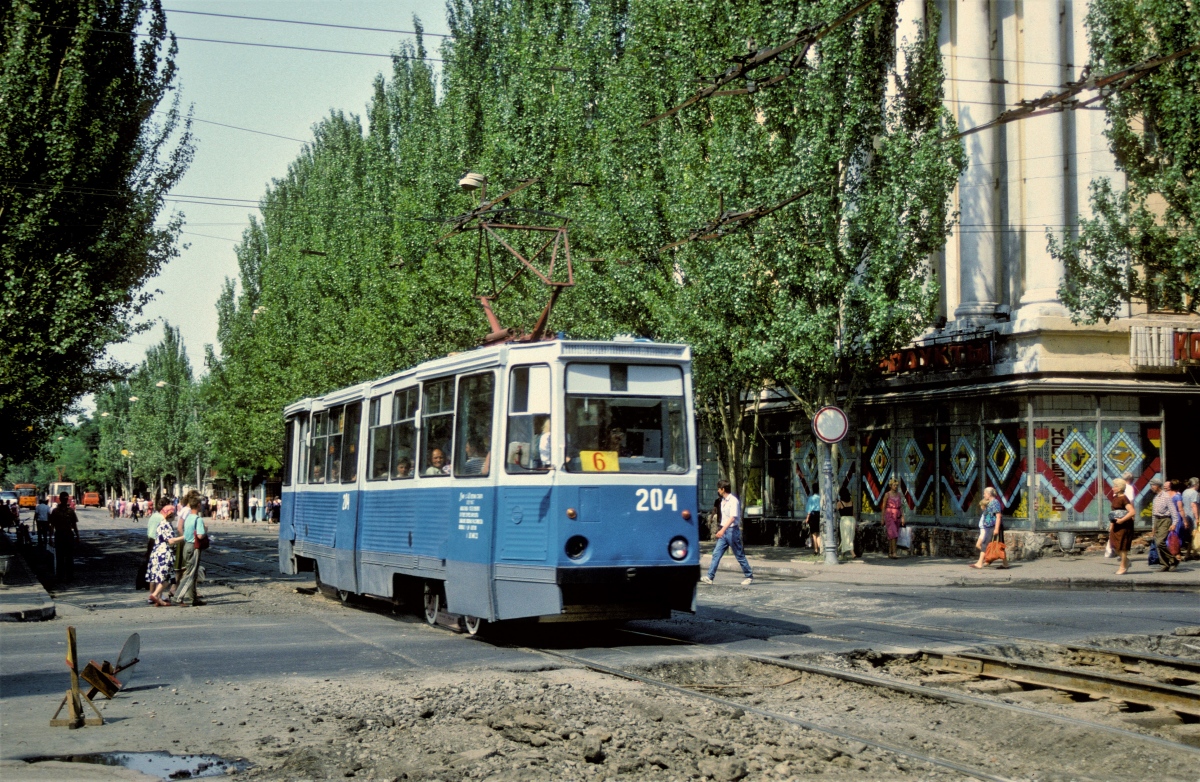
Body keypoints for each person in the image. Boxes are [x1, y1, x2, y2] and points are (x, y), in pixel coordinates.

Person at [701, 479, 753, 586]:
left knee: (739, 555)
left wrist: (722, 530)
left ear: (723, 489)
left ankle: (749, 576)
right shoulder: (723, 501)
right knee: (716, 554)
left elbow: (732, 518)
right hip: (724, 532)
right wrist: (721, 529)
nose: (718, 490)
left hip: (732, 531)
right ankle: (710, 577)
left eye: (719, 489)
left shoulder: (733, 501)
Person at [146, 502, 184, 607]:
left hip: (157, 552)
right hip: (164, 553)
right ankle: (155, 595)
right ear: (170, 514)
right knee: (167, 576)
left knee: (160, 575)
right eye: (174, 514)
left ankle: (158, 598)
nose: (175, 516)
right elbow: (170, 541)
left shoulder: (161, 523)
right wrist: (185, 537)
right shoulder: (166, 525)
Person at [175, 493, 207, 606]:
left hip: (186, 545)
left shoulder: (188, 517)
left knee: (192, 573)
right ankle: (178, 597)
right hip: (194, 547)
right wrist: (205, 530)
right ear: (198, 505)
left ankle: (194, 598)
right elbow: (200, 536)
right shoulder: (198, 519)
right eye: (200, 504)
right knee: (190, 573)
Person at [1149, 476, 1180, 572]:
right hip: (1157, 520)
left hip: (1165, 520)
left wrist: (1174, 523)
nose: (1151, 487)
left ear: (1157, 486)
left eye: (1152, 485)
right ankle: (1165, 564)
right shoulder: (1155, 498)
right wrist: (1153, 526)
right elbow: (1154, 513)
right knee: (1157, 543)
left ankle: (1173, 560)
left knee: (1160, 542)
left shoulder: (1166, 496)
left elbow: (1173, 511)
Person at [48, 492, 81, 582]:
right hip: (59, 535)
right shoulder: (55, 511)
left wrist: (77, 536)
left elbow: (74, 525)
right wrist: (50, 538)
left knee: (69, 556)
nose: (65, 500)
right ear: (60, 499)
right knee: (60, 557)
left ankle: (69, 576)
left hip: (68, 535)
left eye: (66, 498)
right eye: (63, 498)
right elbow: (52, 525)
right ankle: (60, 576)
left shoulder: (71, 511)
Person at [970, 486, 1005, 569]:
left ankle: (979, 563)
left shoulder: (995, 503)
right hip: (990, 526)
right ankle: (1005, 564)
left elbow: (998, 516)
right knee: (999, 544)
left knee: (985, 543)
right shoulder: (991, 502)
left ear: (989, 494)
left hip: (992, 526)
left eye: (985, 493)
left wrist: (996, 529)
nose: (984, 495)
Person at [1107, 478, 1136, 575]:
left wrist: (1122, 520)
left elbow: (1132, 512)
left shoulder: (1124, 498)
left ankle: (1123, 567)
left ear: (1119, 488)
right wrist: (1111, 524)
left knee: (1122, 546)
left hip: (1124, 526)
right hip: (1116, 525)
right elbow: (1113, 513)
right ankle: (1126, 561)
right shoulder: (1115, 498)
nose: (1112, 488)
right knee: (1114, 545)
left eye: (1114, 486)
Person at [881, 479, 905, 559]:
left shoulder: (899, 495)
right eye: (894, 485)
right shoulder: (887, 495)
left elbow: (901, 507)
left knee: (894, 535)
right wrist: (882, 518)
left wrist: (902, 517)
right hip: (889, 515)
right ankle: (894, 552)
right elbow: (883, 507)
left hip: (897, 515)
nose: (896, 487)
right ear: (890, 486)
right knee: (893, 533)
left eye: (897, 485)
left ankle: (890, 552)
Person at [1183, 477, 1200, 558]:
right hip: (1192, 515)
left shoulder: (1185, 492)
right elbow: (1194, 505)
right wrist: (1197, 517)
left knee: (1191, 534)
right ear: (1196, 484)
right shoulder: (1194, 493)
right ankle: (1193, 552)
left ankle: (1190, 552)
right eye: (1198, 483)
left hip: (1186, 515)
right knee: (1195, 534)